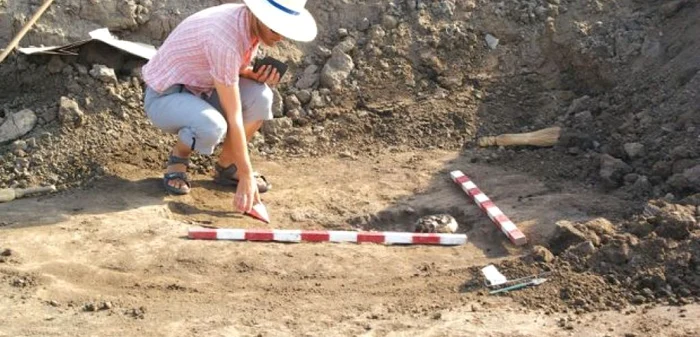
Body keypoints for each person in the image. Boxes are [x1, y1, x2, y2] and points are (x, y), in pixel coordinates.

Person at [141, 1, 317, 213]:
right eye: (275, 28)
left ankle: (226, 166)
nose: (279, 37)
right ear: (258, 15)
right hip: (165, 97)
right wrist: (246, 176)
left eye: (284, 30)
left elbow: (226, 66)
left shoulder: (248, 24)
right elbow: (233, 115)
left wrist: (248, 72)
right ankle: (179, 158)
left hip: (203, 88)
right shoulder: (224, 37)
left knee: (261, 98)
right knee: (212, 126)